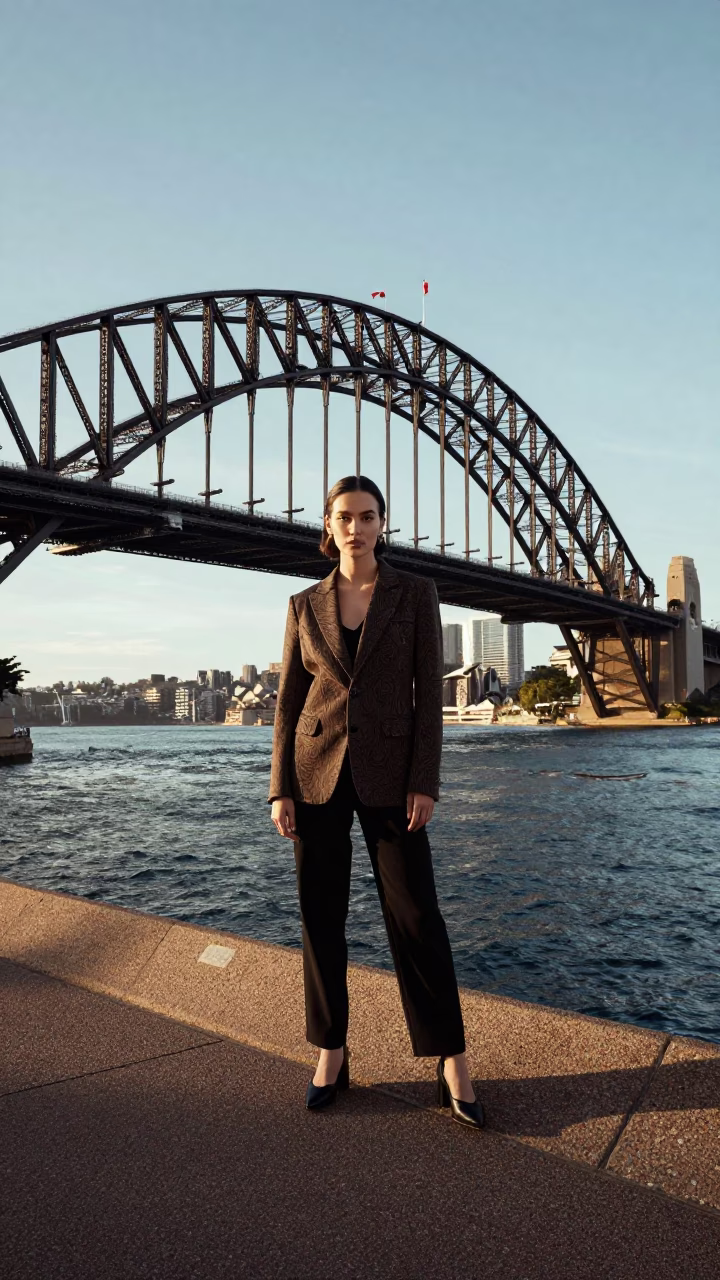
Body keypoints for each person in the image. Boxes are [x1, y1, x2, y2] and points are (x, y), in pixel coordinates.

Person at [268, 474, 485, 1130]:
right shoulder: (303, 605)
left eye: (367, 516)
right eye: (344, 517)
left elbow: (429, 697)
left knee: (418, 915)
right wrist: (280, 786)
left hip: (393, 777)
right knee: (320, 915)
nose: (356, 527)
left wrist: (427, 781)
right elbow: (286, 705)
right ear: (328, 526)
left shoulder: (415, 595)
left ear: (382, 524)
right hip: (317, 772)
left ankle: (451, 1057)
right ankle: (331, 1050)